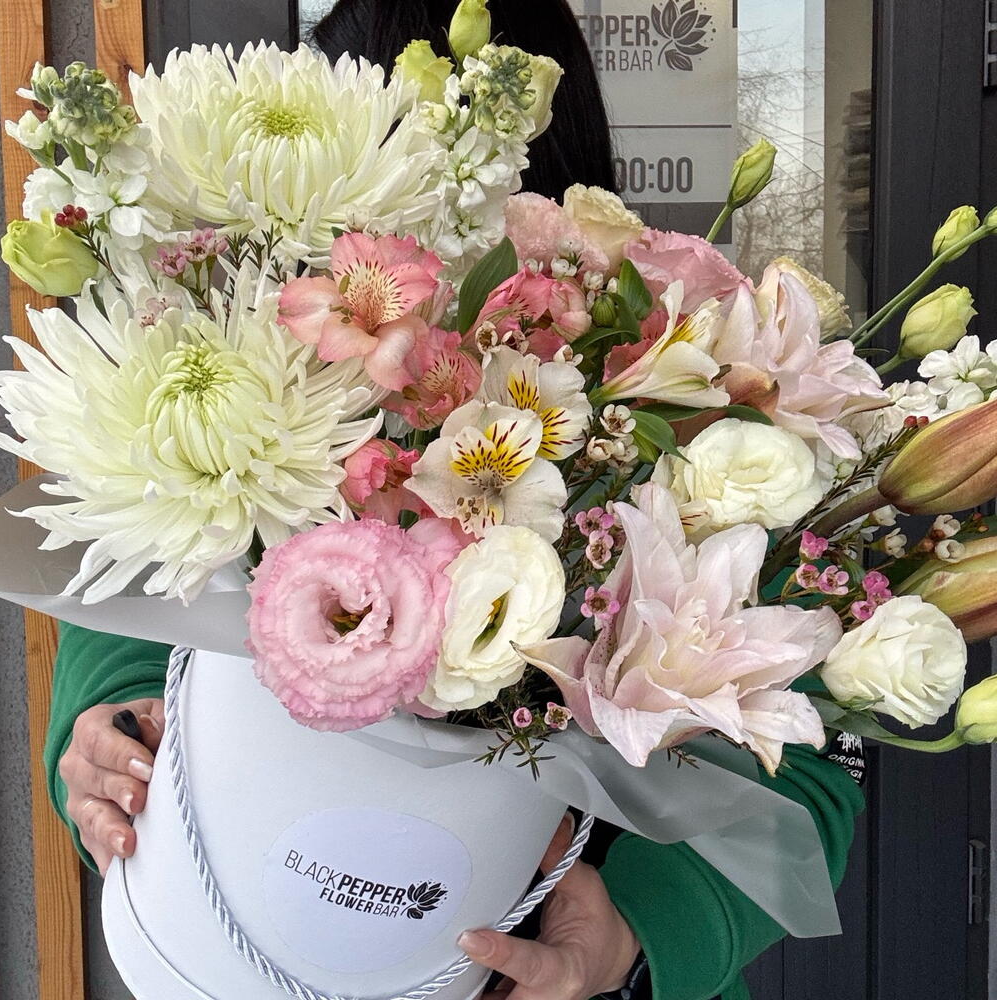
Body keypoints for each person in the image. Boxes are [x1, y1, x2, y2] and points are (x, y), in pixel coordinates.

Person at [45, 3, 865, 999]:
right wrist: (110, 741)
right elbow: (130, 598)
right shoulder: (245, 359)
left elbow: (806, 773)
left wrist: (635, 932)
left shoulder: (681, 393)